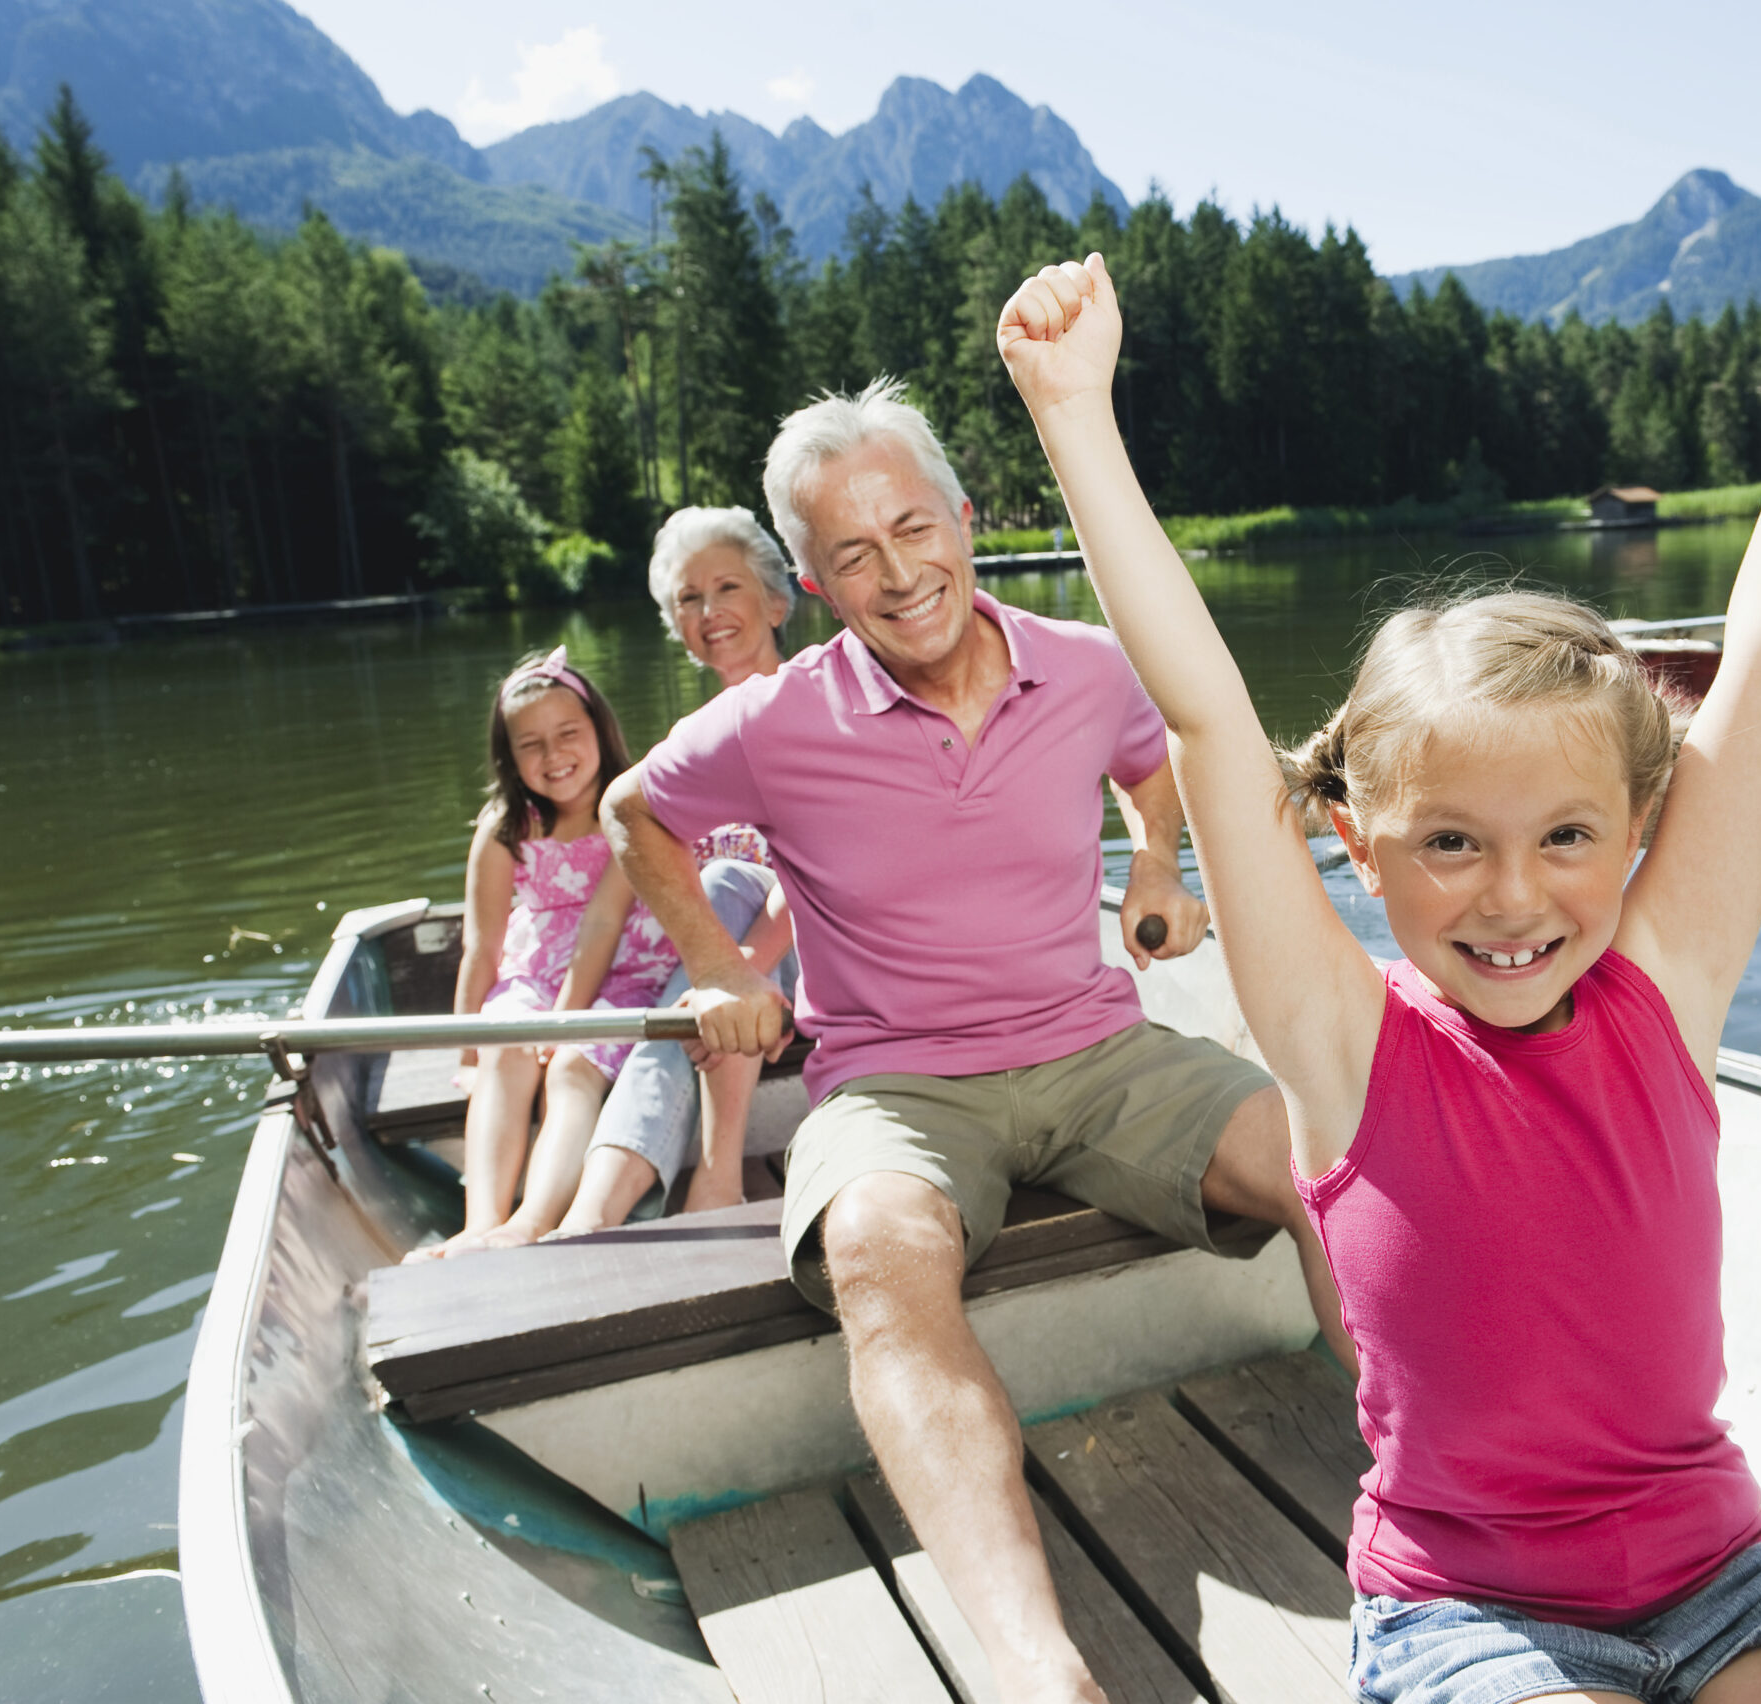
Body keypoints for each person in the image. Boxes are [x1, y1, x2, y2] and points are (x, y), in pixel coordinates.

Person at [996, 195, 1761, 1703]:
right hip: (1473, 1615)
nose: (1514, 895)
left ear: (1637, 826)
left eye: (1567, 838)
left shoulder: (1666, 989)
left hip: (1725, 1573)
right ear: (1362, 847)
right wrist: (1074, 417)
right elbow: (1201, 720)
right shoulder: (1343, 1044)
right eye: (1452, 843)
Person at [605, 377, 1350, 1704]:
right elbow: (629, 811)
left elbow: (1152, 755)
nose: (898, 573)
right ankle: (1037, 1665)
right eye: (852, 555)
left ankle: (1467, 1502)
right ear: (817, 586)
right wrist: (718, 970)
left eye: (913, 526)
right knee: (883, 1256)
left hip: (1101, 1056)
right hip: (898, 1087)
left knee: (1329, 1156)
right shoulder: (775, 723)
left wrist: (1161, 864)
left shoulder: (1086, 665)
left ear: (963, 514)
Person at [546, 507, 805, 1235]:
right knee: (699, 961)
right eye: (689, 599)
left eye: (728, 587)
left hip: (808, 939)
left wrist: (744, 965)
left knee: (721, 891)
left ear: (776, 602)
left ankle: (701, 1185)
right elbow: (632, 864)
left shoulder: (812, 707)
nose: (709, 610)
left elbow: (818, 859)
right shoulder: (686, 745)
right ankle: (596, 1215)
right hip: (719, 964)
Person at [408, 646, 682, 1261]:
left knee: (570, 1067)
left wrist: (564, 1022)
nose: (553, 756)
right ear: (509, 756)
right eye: (530, 744)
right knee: (505, 1046)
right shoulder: (507, 827)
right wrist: (469, 1049)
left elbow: (602, 929)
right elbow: (480, 947)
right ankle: (480, 1221)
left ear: (599, 732)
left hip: (621, 974)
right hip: (533, 979)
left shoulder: (630, 808)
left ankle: (533, 1219)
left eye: (568, 734)